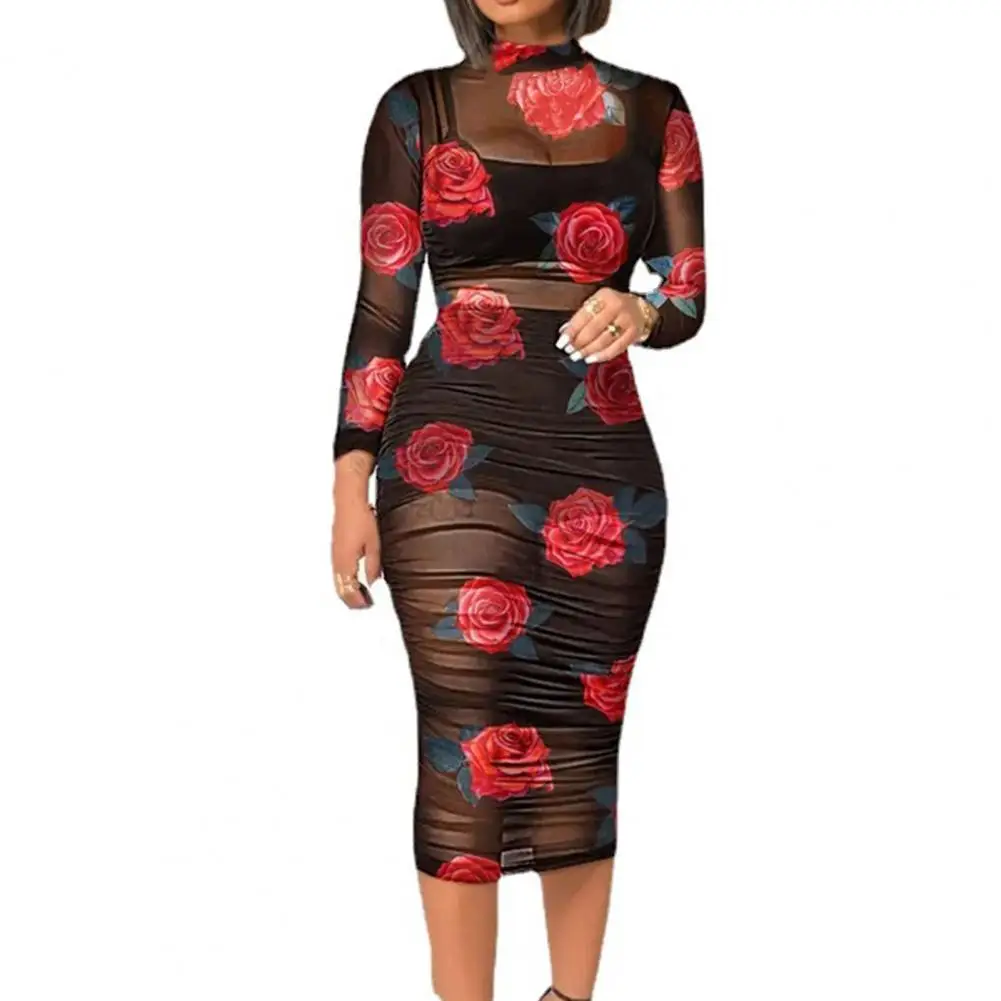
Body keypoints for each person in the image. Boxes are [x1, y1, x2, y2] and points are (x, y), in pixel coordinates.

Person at [331, 1, 706, 998]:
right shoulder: (413, 110)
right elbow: (380, 305)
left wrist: (642, 309)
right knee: (463, 736)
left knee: (584, 737)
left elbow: (687, 294)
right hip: (446, 465)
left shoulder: (655, 109)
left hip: (606, 464)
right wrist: (348, 481)